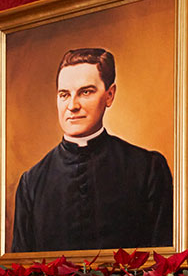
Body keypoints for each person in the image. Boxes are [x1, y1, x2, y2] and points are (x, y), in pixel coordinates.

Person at [10, 48, 173, 253]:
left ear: (109, 95)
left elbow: (163, 261)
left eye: (85, 92)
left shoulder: (147, 168)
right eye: (64, 94)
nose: (72, 105)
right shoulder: (31, 182)